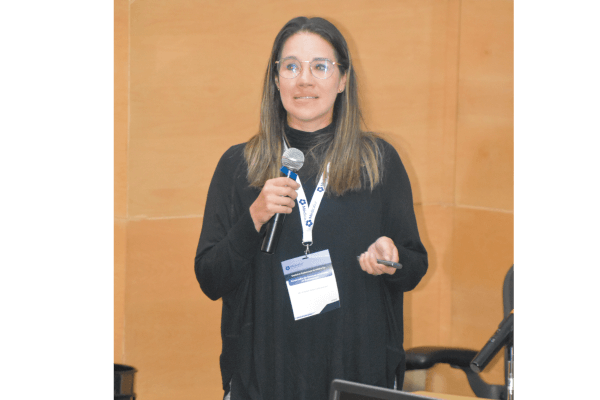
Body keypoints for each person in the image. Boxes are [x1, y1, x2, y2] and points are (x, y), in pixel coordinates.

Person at [194, 16, 428, 400]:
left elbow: (414, 267)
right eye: (291, 67)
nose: (304, 80)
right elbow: (210, 279)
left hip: (357, 372)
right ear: (275, 79)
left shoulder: (379, 162)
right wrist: (253, 219)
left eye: (320, 66)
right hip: (263, 376)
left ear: (342, 80)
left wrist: (393, 259)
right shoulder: (239, 166)